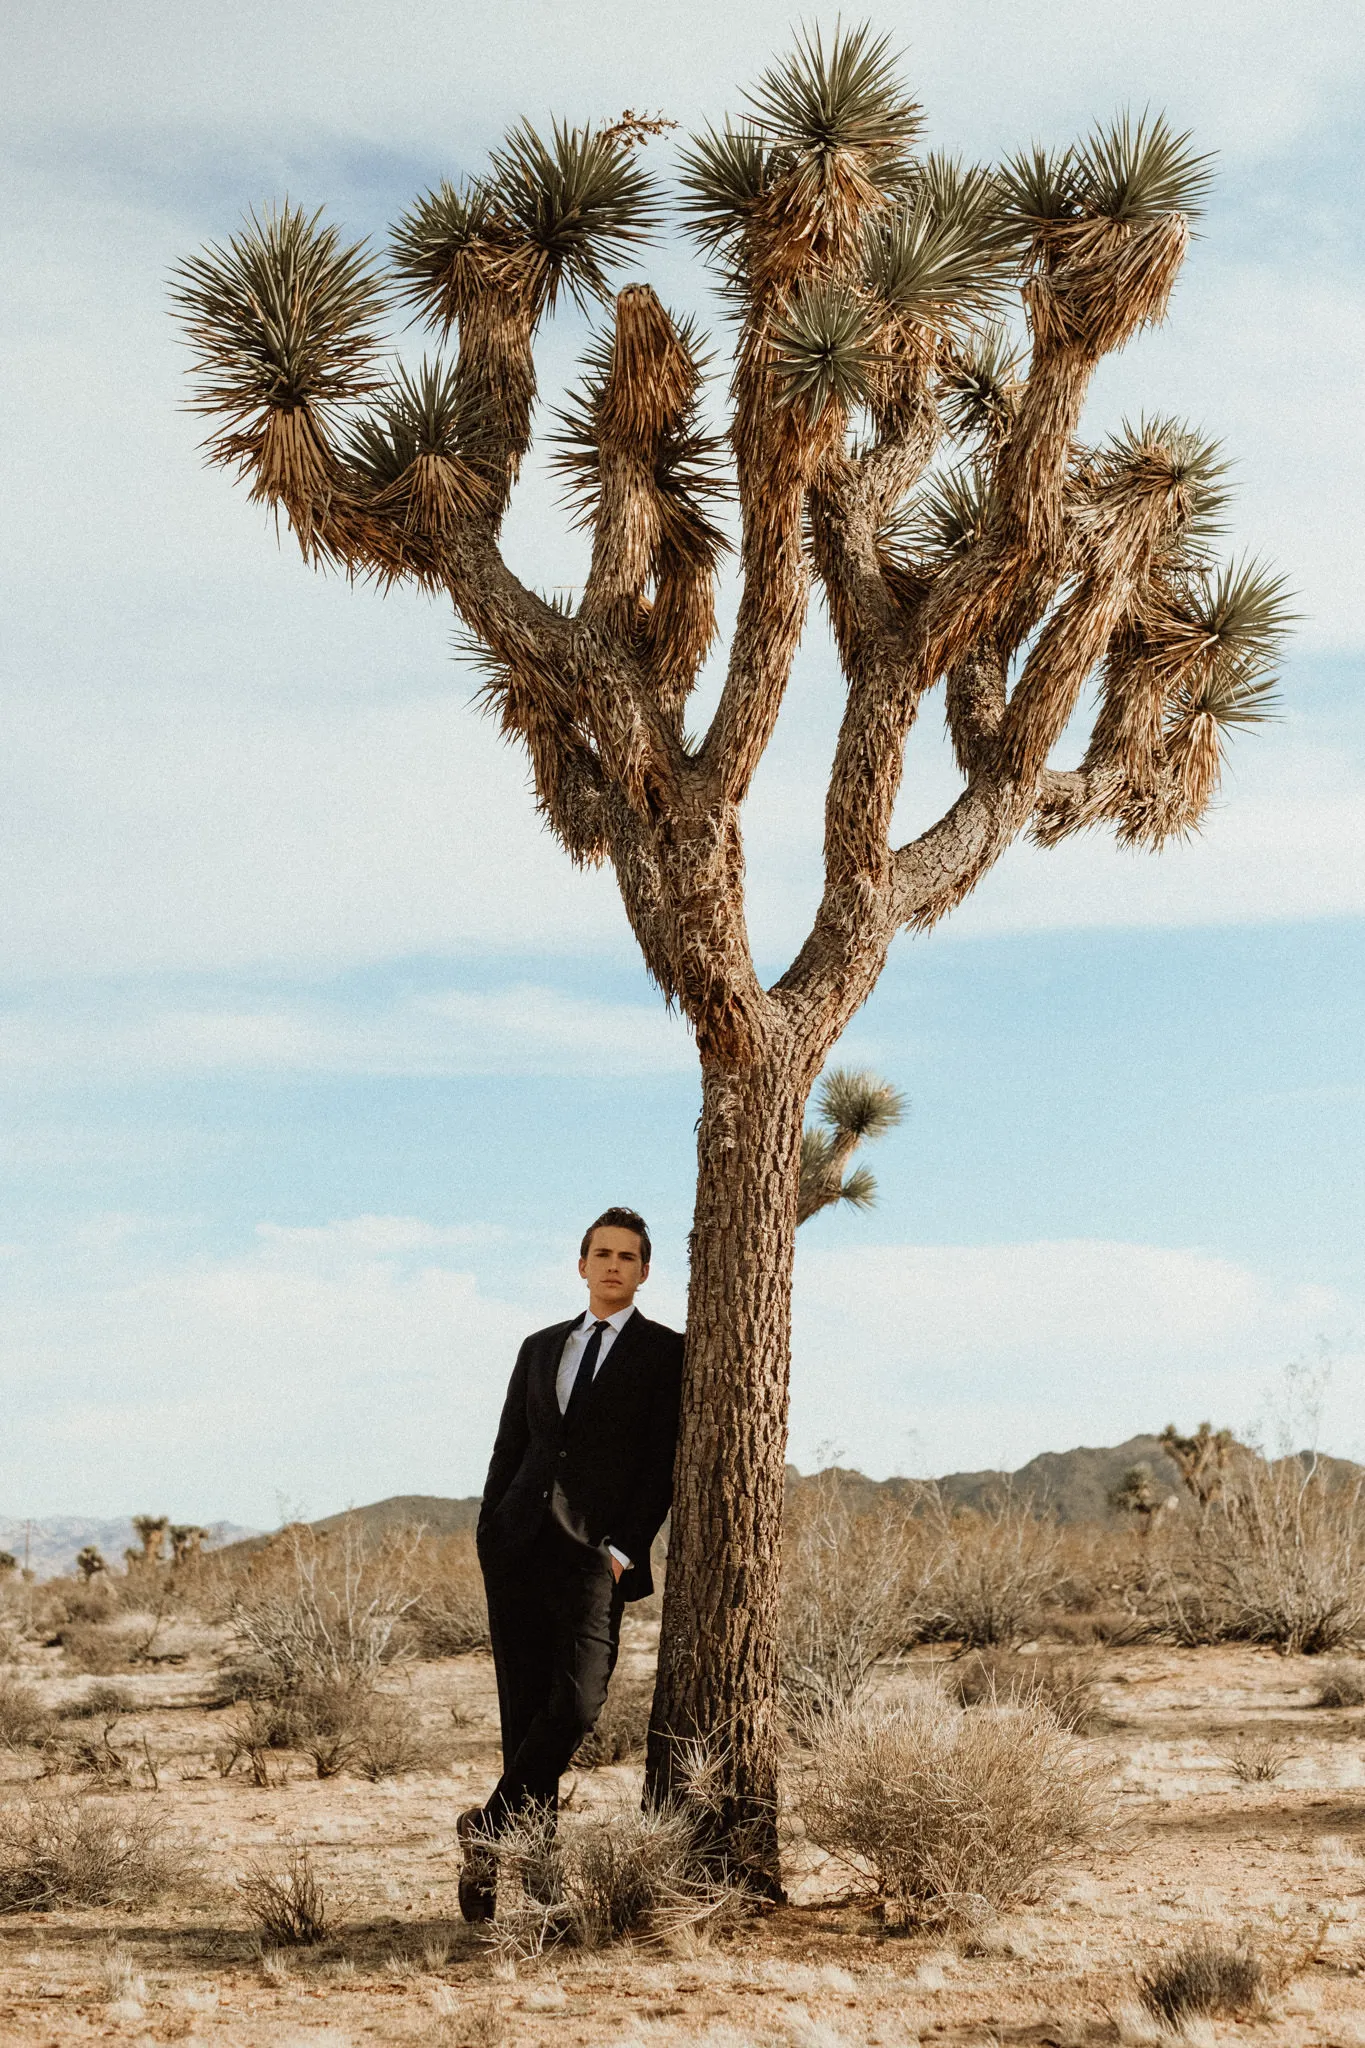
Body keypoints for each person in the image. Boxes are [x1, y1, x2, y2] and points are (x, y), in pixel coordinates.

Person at [458, 1206, 684, 1921]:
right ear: (580, 1264)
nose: (613, 1265)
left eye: (627, 1256)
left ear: (644, 1272)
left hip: (594, 1553)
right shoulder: (538, 1346)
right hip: (517, 1545)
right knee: (522, 1713)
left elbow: (662, 1462)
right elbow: (510, 1446)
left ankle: (486, 1830)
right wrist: (489, 1530)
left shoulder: (665, 1353)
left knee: (577, 1701)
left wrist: (624, 1546)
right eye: (601, 1253)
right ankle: (533, 1869)